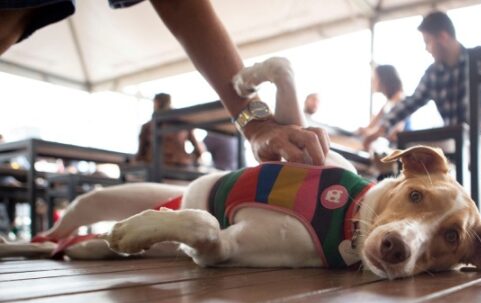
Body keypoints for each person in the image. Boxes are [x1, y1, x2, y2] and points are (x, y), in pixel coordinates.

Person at [0, 0, 329, 166]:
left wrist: (256, 124)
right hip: (180, 172)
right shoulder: (171, 126)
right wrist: (254, 125)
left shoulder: (153, 126)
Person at [362, 11, 481, 150]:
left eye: (428, 42)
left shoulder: (477, 62)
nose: (427, 49)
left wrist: (474, 146)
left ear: (443, 37)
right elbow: (411, 102)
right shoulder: (434, 73)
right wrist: (379, 130)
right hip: (459, 142)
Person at [134, 93, 204, 167]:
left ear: (156, 103)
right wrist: (186, 159)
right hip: (180, 168)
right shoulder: (183, 125)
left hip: (157, 169)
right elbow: (198, 152)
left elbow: (140, 155)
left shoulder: (148, 126)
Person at [357, 64, 409, 144]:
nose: (372, 81)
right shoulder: (388, 103)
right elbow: (370, 127)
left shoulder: (399, 99)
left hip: (399, 149)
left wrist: (373, 134)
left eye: (375, 78)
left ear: (384, 79)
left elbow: (395, 134)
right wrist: (364, 131)